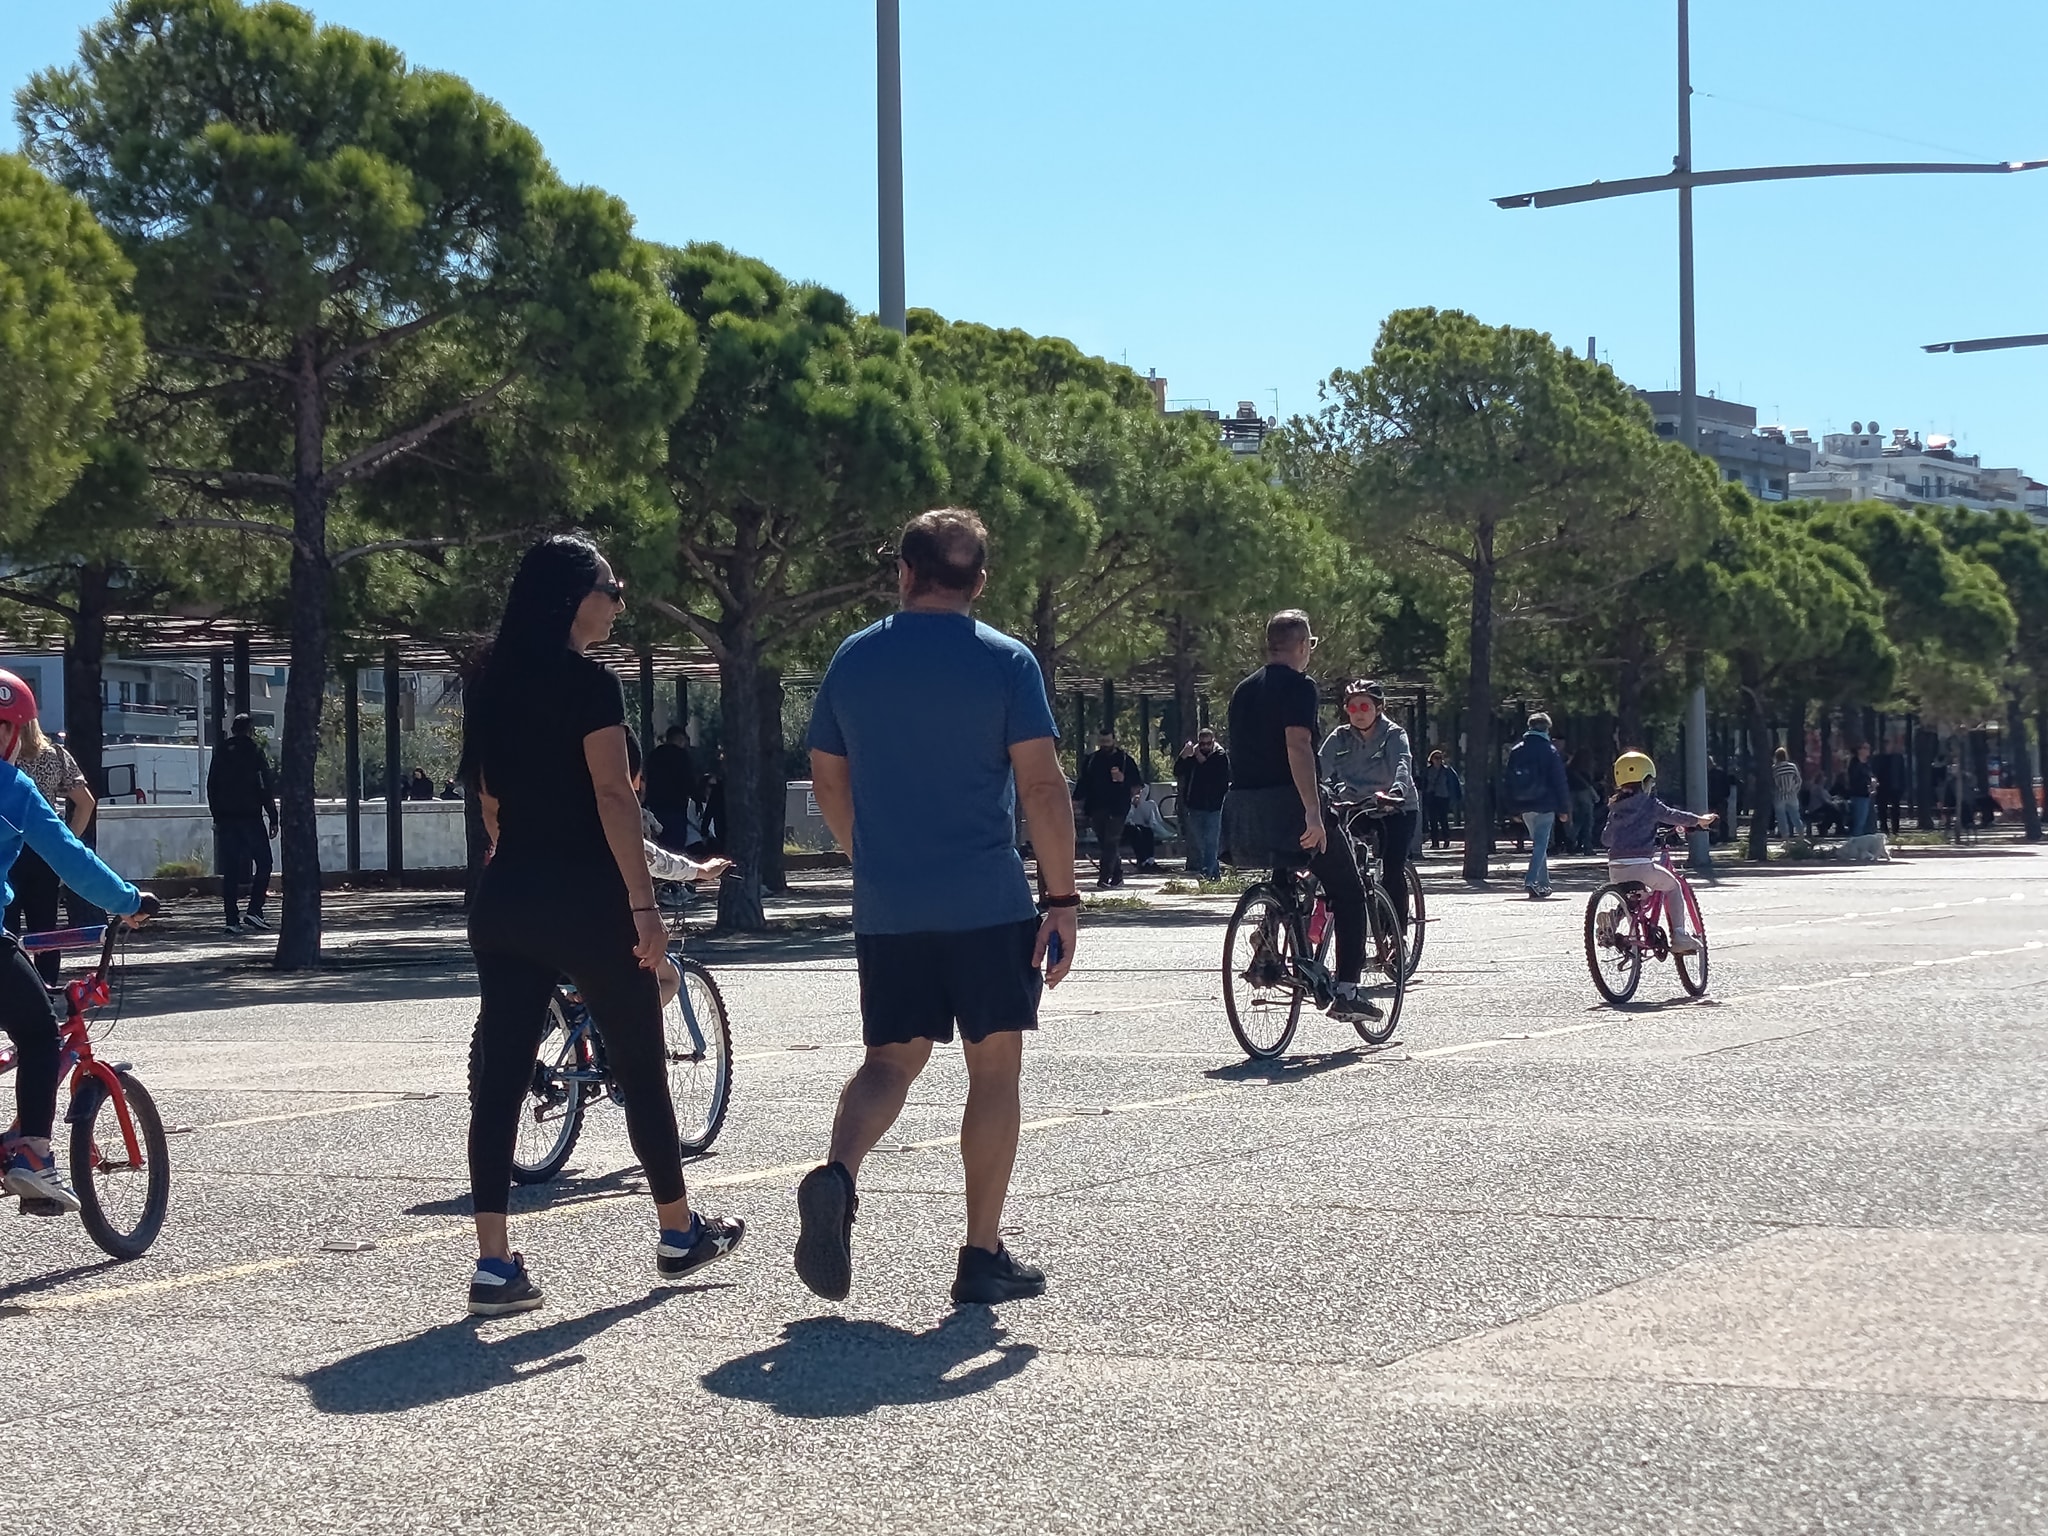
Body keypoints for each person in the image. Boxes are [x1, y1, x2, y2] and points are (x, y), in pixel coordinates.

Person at [798, 508, 1078, 1307]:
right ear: (979, 583)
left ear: (904, 572)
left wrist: (870, 857)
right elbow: (1041, 787)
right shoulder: (1006, 661)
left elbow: (827, 777)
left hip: (891, 904)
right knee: (993, 1069)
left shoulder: (855, 657)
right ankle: (980, 1255)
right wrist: (1062, 897)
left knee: (889, 1061)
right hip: (986, 901)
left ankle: (839, 1174)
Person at [460, 534, 744, 1318]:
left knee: (501, 1080)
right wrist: (644, 908)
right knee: (641, 1064)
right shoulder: (590, 685)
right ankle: (678, 1232)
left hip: (507, 898)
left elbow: (487, 801)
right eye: (611, 589)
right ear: (573, 598)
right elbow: (615, 797)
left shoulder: (489, 681)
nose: (619, 602)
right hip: (585, 898)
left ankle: (494, 1263)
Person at [0, 668, 158, 1213]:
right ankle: (33, 1156)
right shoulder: (12, 788)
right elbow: (71, 859)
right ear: (14, 731)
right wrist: (128, 901)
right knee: (39, 1034)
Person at [1222, 610, 1379, 1024]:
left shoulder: (1243, 690)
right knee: (1348, 889)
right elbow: (1297, 746)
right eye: (1311, 644)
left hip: (1246, 811)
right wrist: (1313, 811)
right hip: (1288, 806)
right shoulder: (1300, 686)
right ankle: (1347, 990)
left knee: (1285, 871)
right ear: (1302, 645)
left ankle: (1268, 937)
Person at [1, 709, 96, 985]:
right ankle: (47, 987)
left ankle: (10, 987)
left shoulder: (6, 757)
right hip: (45, 849)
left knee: (7, 926)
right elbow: (86, 802)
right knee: (46, 928)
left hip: (9, 845)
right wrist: (67, 840)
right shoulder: (56, 755)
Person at [1318, 679, 1418, 932]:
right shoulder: (1339, 737)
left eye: (1365, 707)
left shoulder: (1394, 734)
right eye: (1352, 708)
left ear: (1379, 708)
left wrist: (1397, 791)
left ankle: (1397, 934)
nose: (1358, 713)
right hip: (1357, 805)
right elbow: (1319, 767)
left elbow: (1402, 763)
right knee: (1344, 865)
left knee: (1393, 869)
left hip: (1396, 807)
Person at [1600, 752, 1714, 953]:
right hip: (1642, 866)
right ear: (1646, 781)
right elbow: (1672, 815)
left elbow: (1606, 839)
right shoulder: (1649, 803)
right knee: (1673, 886)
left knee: (1635, 898)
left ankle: (1614, 920)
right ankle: (1679, 936)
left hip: (1615, 868)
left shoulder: (1615, 807)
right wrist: (1699, 820)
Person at [206, 713, 277, 936]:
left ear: (233, 729)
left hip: (227, 820)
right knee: (264, 863)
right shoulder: (254, 751)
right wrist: (273, 816)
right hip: (250, 817)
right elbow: (264, 785)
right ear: (250, 730)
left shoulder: (221, 752)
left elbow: (212, 786)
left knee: (231, 870)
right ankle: (255, 909)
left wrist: (217, 817)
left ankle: (231, 919)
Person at [1504, 712, 1571, 898]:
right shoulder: (1550, 751)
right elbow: (1559, 781)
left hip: (1524, 804)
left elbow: (1508, 781)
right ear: (1547, 729)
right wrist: (1563, 808)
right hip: (1545, 804)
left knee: (1538, 845)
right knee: (1541, 844)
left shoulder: (1517, 750)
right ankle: (1531, 880)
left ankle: (1544, 884)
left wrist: (1512, 808)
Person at [1074, 729, 1143, 888]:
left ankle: (1104, 877)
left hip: (1118, 806)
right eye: (1102, 742)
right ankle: (1117, 874)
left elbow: (1136, 783)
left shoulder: (1125, 760)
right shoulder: (1092, 760)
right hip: (1096, 806)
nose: (1105, 745)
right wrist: (1076, 800)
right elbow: (1083, 782)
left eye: (1108, 742)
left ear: (1114, 741)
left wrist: (1123, 779)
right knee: (1104, 842)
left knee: (1111, 841)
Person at [1174, 727, 1229, 880]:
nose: (1204, 747)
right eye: (1202, 744)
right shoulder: (1193, 756)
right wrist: (1183, 756)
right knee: (1200, 842)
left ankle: (1206, 872)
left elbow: (1210, 772)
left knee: (1211, 841)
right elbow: (1178, 771)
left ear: (1213, 742)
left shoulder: (1220, 755)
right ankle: (1214, 874)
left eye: (1207, 744)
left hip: (1214, 805)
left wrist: (1198, 756)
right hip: (1195, 804)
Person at [643, 723, 699, 853]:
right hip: (676, 806)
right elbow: (688, 780)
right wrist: (695, 795)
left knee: (658, 843)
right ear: (680, 739)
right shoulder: (682, 756)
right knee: (675, 846)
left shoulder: (654, 755)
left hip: (656, 805)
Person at [1122, 790, 1170, 872]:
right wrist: (1132, 805)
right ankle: (1143, 861)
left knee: (1147, 830)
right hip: (1118, 826)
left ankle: (1150, 861)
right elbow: (1125, 819)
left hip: (1129, 825)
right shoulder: (1123, 800)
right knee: (1135, 831)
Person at [1422, 749, 1460, 851]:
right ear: (1431, 759)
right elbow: (1423, 783)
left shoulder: (1447, 771)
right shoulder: (1427, 771)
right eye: (1436, 758)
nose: (1438, 760)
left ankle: (1446, 839)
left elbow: (1455, 783)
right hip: (1431, 797)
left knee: (1443, 819)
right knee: (1433, 820)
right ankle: (1435, 842)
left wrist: (1455, 797)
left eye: (1440, 758)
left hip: (1443, 797)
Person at [1566, 748, 1600, 855]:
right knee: (1588, 821)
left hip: (1571, 795)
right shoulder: (1585, 768)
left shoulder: (1569, 769)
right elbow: (1588, 784)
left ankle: (1571, 839)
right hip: (1584, 794)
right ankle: (1587, 846)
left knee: (1577, 820)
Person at [1874, 742, 1906, 837]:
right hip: (1882, 787)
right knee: (1882, 809)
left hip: (1895, 787)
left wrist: (1902, 786)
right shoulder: (1879, 758)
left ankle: (1895, 830)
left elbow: (1902, 772)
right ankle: (1884, 828)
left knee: (1895, 809)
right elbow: (1876, 771)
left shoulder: (1898, 758)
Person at [1770, 746, 1802, 838]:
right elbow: (1798, 780)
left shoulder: (1774, 768)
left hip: (1779, 796)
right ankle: (1801, 836)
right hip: (1792, 795)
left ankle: (1785, 839)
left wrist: (1775, 792)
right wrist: (1794, 790)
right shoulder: (1792, 766)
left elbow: (1773, 783)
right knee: (1795, 817)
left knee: (1781, 819)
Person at [1846, 742, 1876, 837]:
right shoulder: (1855, 763)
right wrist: (1867, 784)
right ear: (1859, 750)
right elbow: (1855, 779)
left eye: (1869, 748)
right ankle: (1855, 841)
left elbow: (1870, 775)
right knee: (1859, 822)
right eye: (1865, 748)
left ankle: (1863, 841)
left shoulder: (1867, 764)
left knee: (1867, 823)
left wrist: (1873, 782)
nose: (1868, 750)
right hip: (1858, 795)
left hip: (1867, 795)